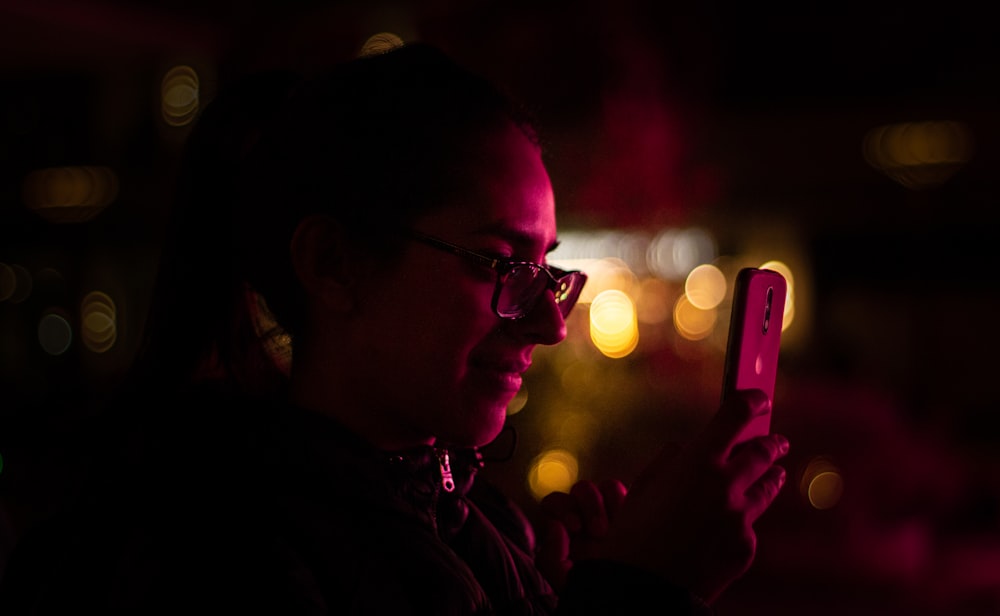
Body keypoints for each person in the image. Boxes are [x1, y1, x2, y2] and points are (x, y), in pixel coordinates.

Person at [0, 41, 788, 614]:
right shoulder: (213, 558)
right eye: (498, 264)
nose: (548, 323)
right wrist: (639, 593)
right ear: (334, 264)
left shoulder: (461, 523)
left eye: (548, 271)